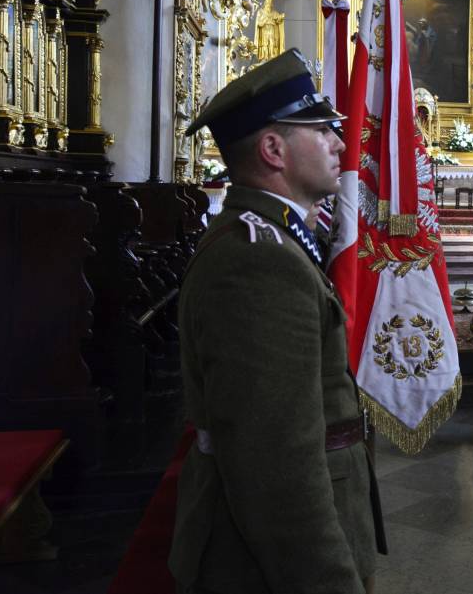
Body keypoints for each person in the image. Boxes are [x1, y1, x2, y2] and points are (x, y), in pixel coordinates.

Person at [171, 50, 385, 594]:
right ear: (273, 149)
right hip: (263, 564)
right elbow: (276, 465)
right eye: (322, 131)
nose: (340, 144)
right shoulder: (258, 260)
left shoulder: (274, 238)